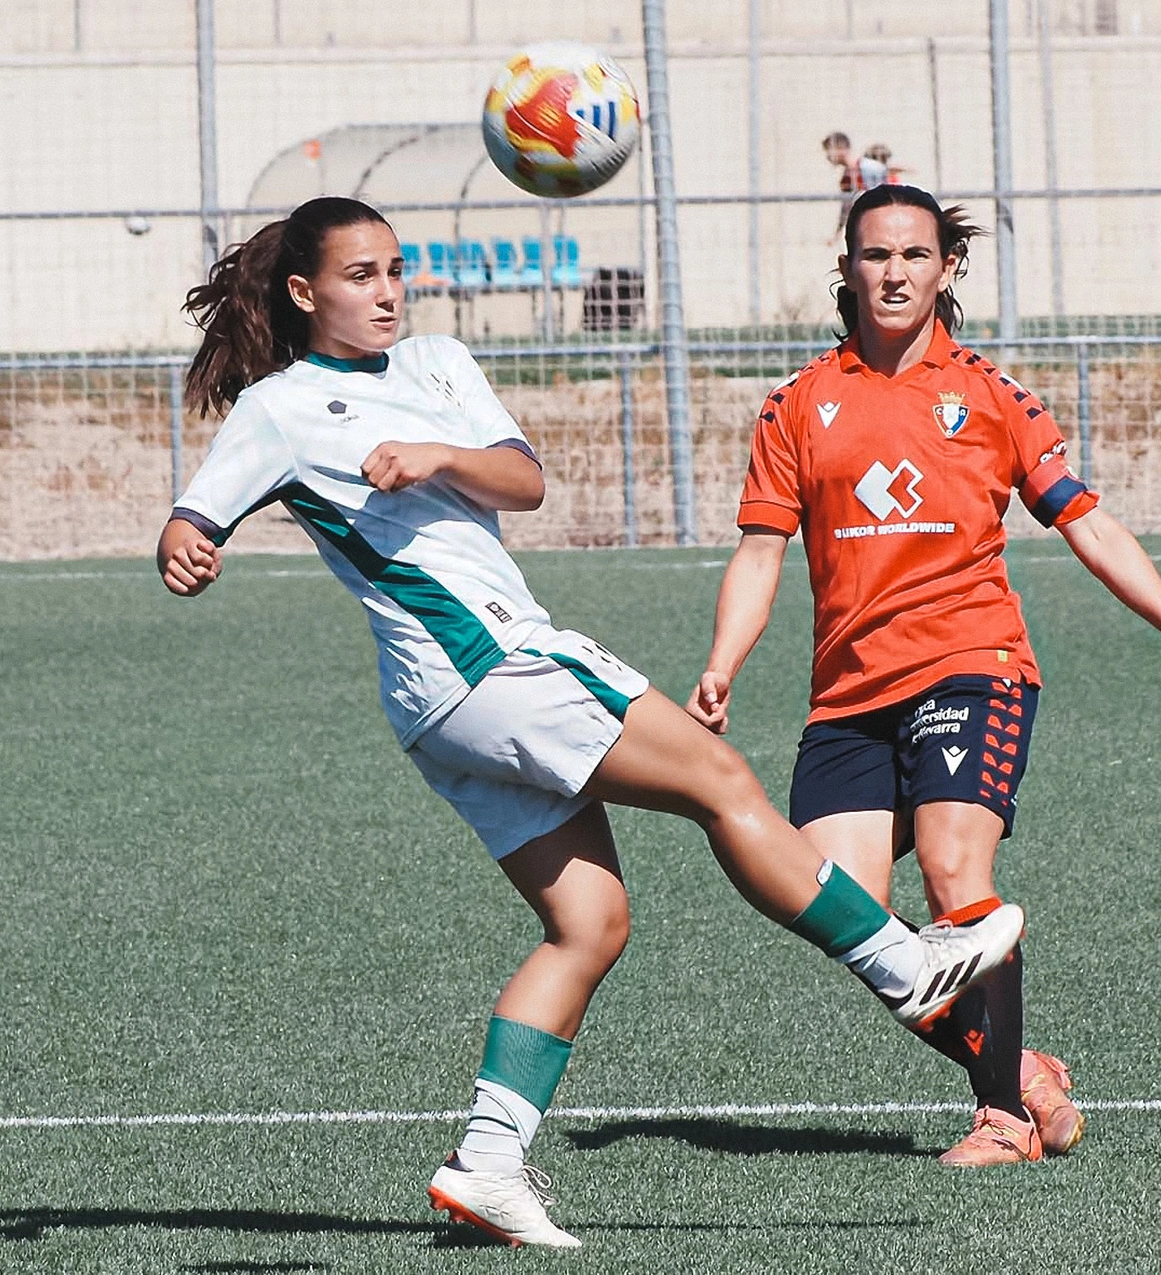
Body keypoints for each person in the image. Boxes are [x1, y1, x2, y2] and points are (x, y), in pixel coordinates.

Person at [156, 196, 1026, 1247]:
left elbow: (519, 480)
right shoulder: (278, 409)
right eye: (358, 277)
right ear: (303, 294)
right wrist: (186, 549)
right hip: (488, 667)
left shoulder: (436, 366)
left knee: (588, 924)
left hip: (451, 704)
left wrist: (435, 454)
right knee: (720, 782)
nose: (385, 292)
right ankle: (899, 965)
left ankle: (485, 1164)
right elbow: (192, 519)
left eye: (394, 270)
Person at [687, 182, 1161, 1167]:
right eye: (873, 255)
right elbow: (761, 551)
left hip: (970, 667)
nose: (892, 272)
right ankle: (1020, 1068)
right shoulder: (796, 405)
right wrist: (722, 664)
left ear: (945, 270)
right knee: (846, 916)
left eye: (912, 255)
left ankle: (999, 1120)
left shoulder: (990, 398)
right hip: (847, 698)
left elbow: (1084, 521)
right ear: (846, 269)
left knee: (953, 875)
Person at [822, 131, 888, 241]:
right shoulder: (846, 177)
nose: (828, 156)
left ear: (841, 148)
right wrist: (837, 234)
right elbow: (846, 206)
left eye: (829, 150)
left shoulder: (869, 168)